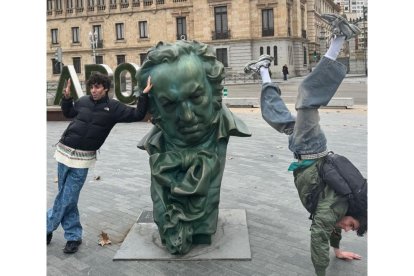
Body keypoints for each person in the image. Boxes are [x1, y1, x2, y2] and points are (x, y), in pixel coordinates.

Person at [244, 14, 366, 276]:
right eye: (352, 225)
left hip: (305, 148)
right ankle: (341, 37)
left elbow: (331, 228)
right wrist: (322, 272)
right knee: (308, 95)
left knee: (278, 119)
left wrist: (338, 251)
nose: (347, 228)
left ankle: (263, 69)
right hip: (311, 147)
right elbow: (320, 234)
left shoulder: (339, 211)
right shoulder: (337, 207)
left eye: (350, 230)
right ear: (355, 213)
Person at [136, 40, 251, 254]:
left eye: (196, 96)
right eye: (170, 104)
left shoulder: (219, 129)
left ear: (215, 89)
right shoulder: (156, 144)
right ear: (155, 108)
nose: (187, 116)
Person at [47, 72, 152, 253]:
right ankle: (73, 236)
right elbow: (69, 113)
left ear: (105, 88)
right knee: (66, 197)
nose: (93, 90)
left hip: (82, 159)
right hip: (63, 153)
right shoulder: (83, 101)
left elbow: (137, 114)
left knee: (68, 197)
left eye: (97, 87)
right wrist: (66, 98)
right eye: (91, 87)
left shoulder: (114, 108)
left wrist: (144, 94)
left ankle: (47, 227)